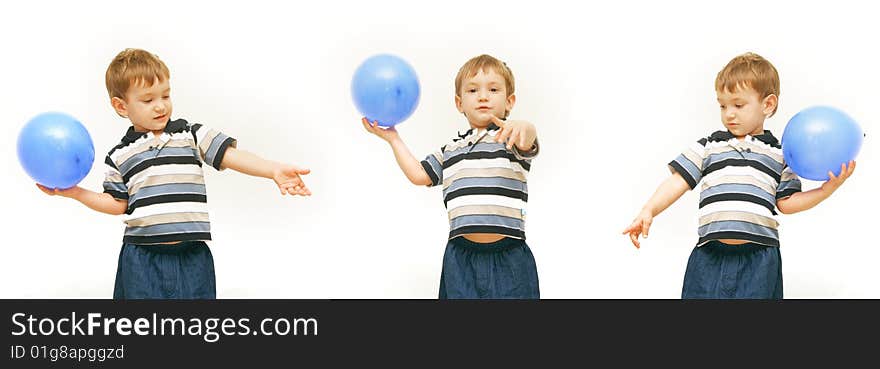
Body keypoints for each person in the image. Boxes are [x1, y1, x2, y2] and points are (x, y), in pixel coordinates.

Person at [37, 48, 312, 299]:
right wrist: (74, 193)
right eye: (148, 99)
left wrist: (272, 169)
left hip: (192, 256)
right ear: (122, 106)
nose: (160, 105)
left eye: (165, 95)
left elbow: (231, 156)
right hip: (142, 259)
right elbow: (117, 203)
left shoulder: (190, 134)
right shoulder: (119, 156)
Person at [622, 52, 856, 299]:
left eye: (738, 105)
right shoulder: (710, 146)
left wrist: (825, 190)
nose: (728, 114)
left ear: (767, 104)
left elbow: (787, 203)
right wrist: (649, 210)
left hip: (759, 260)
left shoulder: (780, 155)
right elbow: (678, 181)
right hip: (709, 255)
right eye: (722, 105)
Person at [362, 54, 541, 299]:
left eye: (493, 89)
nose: (483, 96)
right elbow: (419, 174)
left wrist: (525, 126)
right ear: (459, 103)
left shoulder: (510, 141)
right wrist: (393, 139)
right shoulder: (451, 150)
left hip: (510, 256)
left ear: (509, 101)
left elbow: (527, 138)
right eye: (472, 90)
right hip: (460, 256)